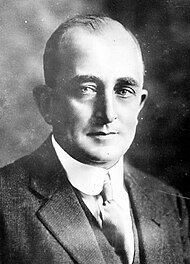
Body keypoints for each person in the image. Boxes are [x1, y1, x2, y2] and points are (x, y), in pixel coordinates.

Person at [0, 14, 189, 264]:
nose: (108, 114)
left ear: (139, 105)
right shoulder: (4, 204)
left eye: (123, 91)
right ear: (47, 104)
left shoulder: (170, 204)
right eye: (86, 89)